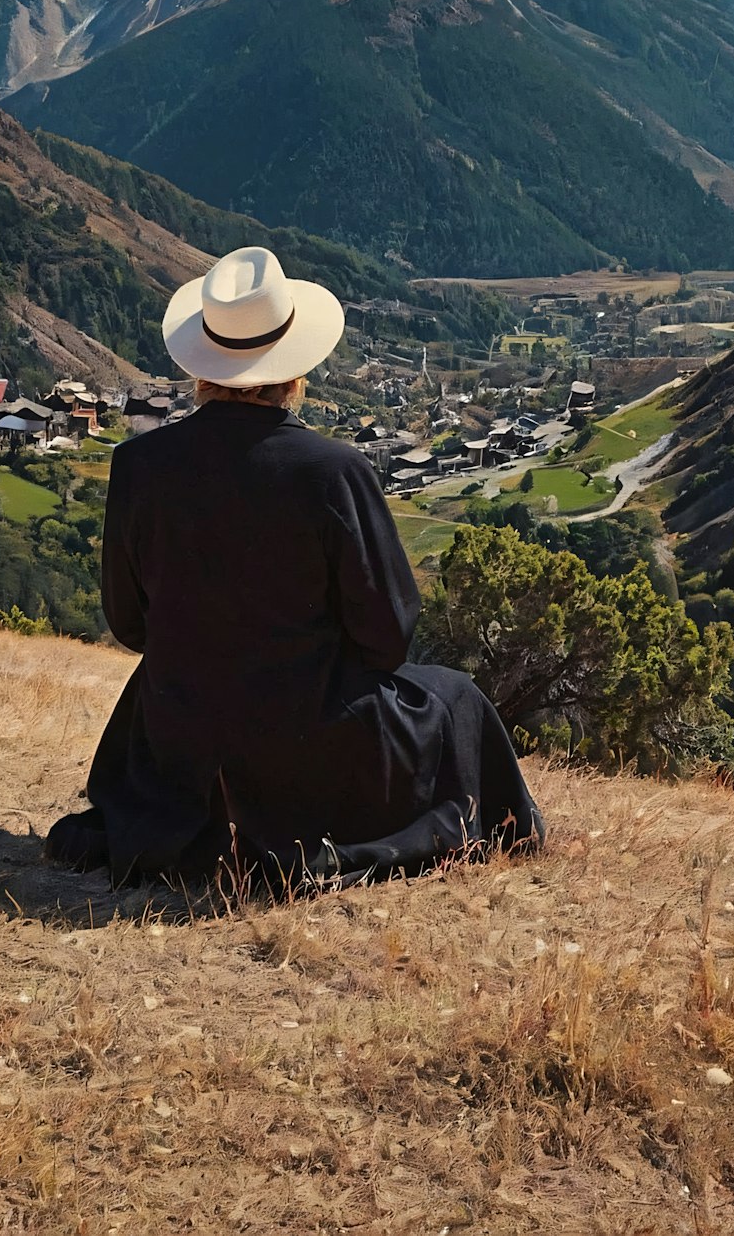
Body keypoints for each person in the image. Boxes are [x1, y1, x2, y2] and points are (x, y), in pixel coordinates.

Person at [46, 246, 543, 888]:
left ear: (204, 363)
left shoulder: (138, 467)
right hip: (310, 736)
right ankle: (493, 829)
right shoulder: (332, 472)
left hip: (179, 737)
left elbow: (130, 623)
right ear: (294, 369)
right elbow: (387, 637)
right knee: (457, 698)